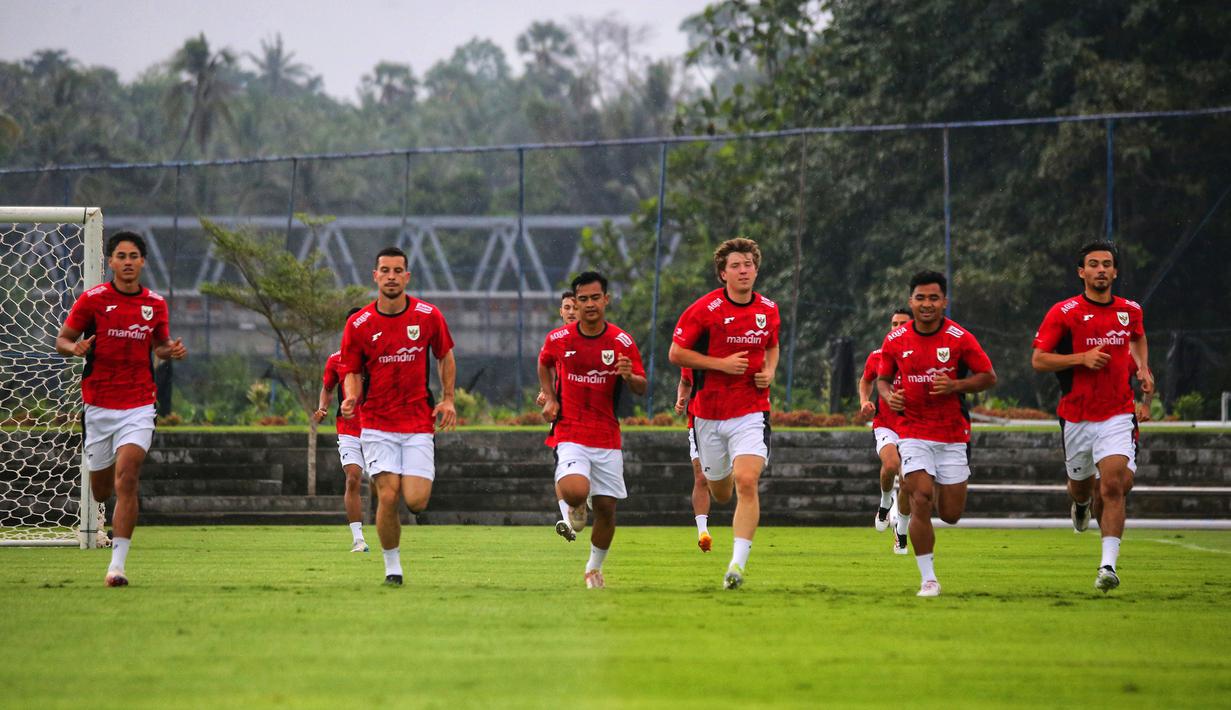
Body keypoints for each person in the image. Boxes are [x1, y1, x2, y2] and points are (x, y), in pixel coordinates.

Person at [55, 231, 188, 587]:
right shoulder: (93, 299)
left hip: (139, 404)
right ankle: (105, 469)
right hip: (98, 405)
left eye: (133, 256)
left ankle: (116, 567)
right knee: (101, 491)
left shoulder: (155, 304)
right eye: (121, 256)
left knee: (128, 477)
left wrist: (170, 351)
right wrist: (74, 348)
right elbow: (62, 339)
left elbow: (159, 346)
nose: (127, 262)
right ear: (110, 262)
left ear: (142, 261)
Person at [1031, 240, 1153, 593]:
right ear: (1081, 272)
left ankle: (1108, 566)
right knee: (1082, 487)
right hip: (1077, 416)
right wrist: (1080, 359)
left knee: (1113, 485)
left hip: (1117, 413)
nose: (1101, 270)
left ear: (1115, 272)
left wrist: (1143, 368)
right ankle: (1081, 504)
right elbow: (1039, 360)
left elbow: (1138, 337)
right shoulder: (1064, 312)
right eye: (1094, 264)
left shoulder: (1130, 310)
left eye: (1107, 264)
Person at [338, 247, 457, 586]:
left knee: (416, 501)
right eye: (385, 271)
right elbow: (352, 370)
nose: (391, 277)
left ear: (407, 276)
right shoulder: (358, 324)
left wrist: (448, 399)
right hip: (377, 424)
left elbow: (445, 355)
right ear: (375, 276)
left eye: (397, 271)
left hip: (418, 423)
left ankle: (406, 481)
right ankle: (393, 569)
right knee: (388, 495)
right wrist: (351, 397)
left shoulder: (428, 315)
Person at [669, 237, 780, 590]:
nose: (743, 270)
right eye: (736, 265)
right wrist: (721, 364)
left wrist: (770, 371)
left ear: (756, 270)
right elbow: (676, 353)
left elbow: (772, 345)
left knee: (747, 481)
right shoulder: (703, 310)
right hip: (708, 416)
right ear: (723, 273)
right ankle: (723, 474)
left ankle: (736, 565)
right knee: (720, 492)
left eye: (749, 264)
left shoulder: (769, 309)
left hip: (751, 411)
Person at [877, 270, 996, 597]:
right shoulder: (895, 340)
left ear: (944, 301)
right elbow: (882, 379)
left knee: (951, 514)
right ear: (911, 301)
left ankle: (938, 499)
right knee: (920, 498)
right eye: (920, 298)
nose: (926, 304)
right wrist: (889, 396)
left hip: (952, 435)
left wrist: (956, 385)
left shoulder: (960, 337)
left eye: (933, 298)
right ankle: (928, 579)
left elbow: (988, 376)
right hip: (912, 432)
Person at [538, 271, 646, 588]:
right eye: (582, 299)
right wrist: (551, 398)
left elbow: (641, 386)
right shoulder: (559, 339)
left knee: (607, 510)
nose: (589, 304)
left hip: (607, 436)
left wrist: (629, 376)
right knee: (575, 490)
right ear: (575, 302)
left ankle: (593, 568)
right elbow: (544, 362)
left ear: (606, 300)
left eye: (595, 298)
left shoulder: (621, 341)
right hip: (571, 431)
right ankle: (574, 504)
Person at [858, 307, 914, 554]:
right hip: (886, 425)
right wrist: (864, 401)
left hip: (913, 427)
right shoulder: (878, 356)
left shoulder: (922, 356)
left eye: (903, 323)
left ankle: (901, 531)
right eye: (894, 324)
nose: (898, 328)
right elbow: (866, 380)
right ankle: (885, 502)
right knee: (890, 465)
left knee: (908, 481)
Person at [316, 307, 369, 553]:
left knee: (386, 485)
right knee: (352, 478)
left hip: (378, 430)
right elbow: (327, 388)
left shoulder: (379, 357)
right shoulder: (336, 359)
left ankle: (390, 535)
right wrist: (322, 408)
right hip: (348, 429)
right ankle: (358, 539)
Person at [676, 368, 711, 552]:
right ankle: (703, 533)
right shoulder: (691, 354)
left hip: (733, 421)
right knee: (701, 477)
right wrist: (680, 400)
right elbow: (686, 380)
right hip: (699, 422)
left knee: (729, 484)